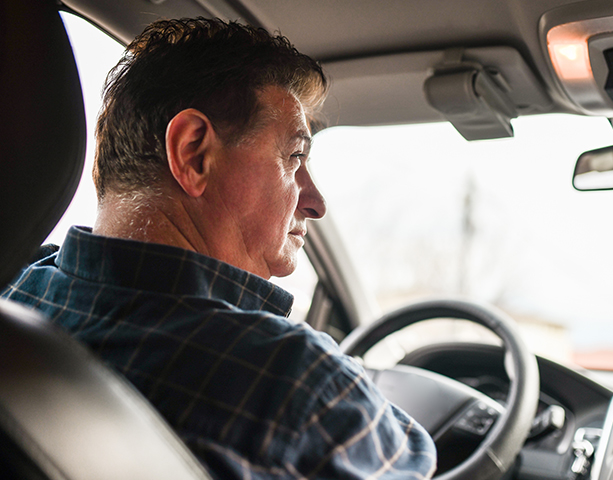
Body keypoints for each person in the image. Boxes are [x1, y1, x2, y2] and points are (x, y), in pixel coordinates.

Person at [1, 18, 436, 480]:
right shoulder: (292, 383)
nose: (316, 202)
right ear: (194, 153)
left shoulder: (18, 294)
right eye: (294, 158)